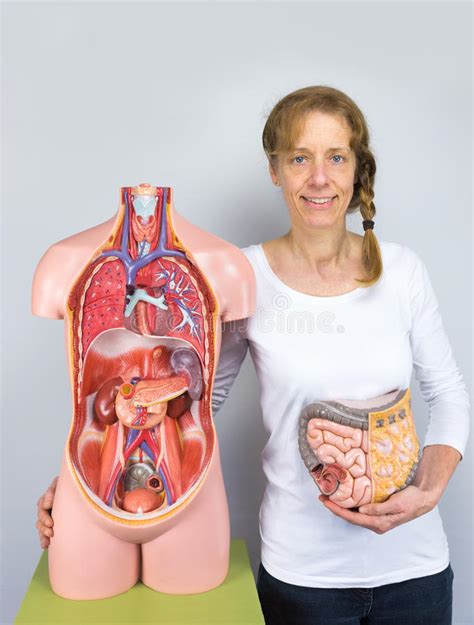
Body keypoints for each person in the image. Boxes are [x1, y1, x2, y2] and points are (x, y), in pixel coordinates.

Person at [37, 86, 470, 624]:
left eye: (336, 157)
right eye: (299, 158)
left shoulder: (403, 271)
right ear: (275, 170)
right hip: (304, 579)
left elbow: (448, 392)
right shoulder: (243, 276)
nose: (319, 178)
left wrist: (429, 490)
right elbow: (198, 402)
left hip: (416, 571)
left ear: (357, 168)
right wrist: (87, 483)